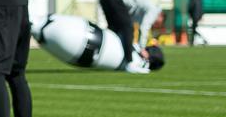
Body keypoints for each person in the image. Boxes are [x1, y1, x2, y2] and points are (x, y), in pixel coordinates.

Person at [33, 14, 164, 73]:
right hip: (90, 46)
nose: (144, 49)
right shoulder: (135, 51)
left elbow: (136, 66)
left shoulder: (137, 61)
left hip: (92, 45)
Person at [98, 0, 161, 70]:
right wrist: (142, 48)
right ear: (160, 15)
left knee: (115, 31)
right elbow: (143, 28)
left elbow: (134, 25)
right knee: (127, 28)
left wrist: (135, 45)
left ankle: (109, 60)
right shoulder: (153, 10)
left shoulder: (142, 10)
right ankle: (130, 63)